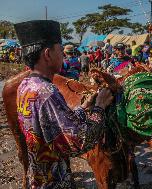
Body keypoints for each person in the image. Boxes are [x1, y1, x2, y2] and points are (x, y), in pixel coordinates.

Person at [14, 20, 113, 188]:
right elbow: (79, 142)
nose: (64, 56)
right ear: (47, 54)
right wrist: (100, 107)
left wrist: (83, 108)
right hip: (54, 182)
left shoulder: (26, 85)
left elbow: (53, 125)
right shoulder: (47, 92)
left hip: (37, 178)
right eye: (61, 50)